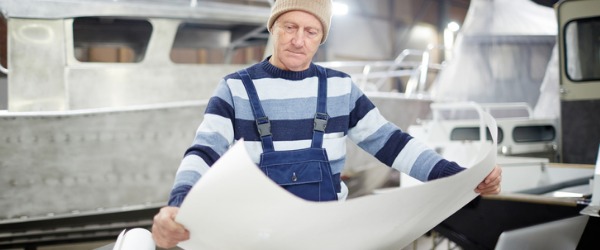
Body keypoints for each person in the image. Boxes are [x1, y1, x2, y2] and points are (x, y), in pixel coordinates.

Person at [152, 0, 502, 248]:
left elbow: (392, 143)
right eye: (290, 27)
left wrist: (458, 177)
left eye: (311, 31)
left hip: (328, 238)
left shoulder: (339, 88)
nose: (299, 40)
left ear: (321, 38)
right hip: (258, 238)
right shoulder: (236, 88)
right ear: (274, 27)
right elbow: (205, 149)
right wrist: (178, 203)